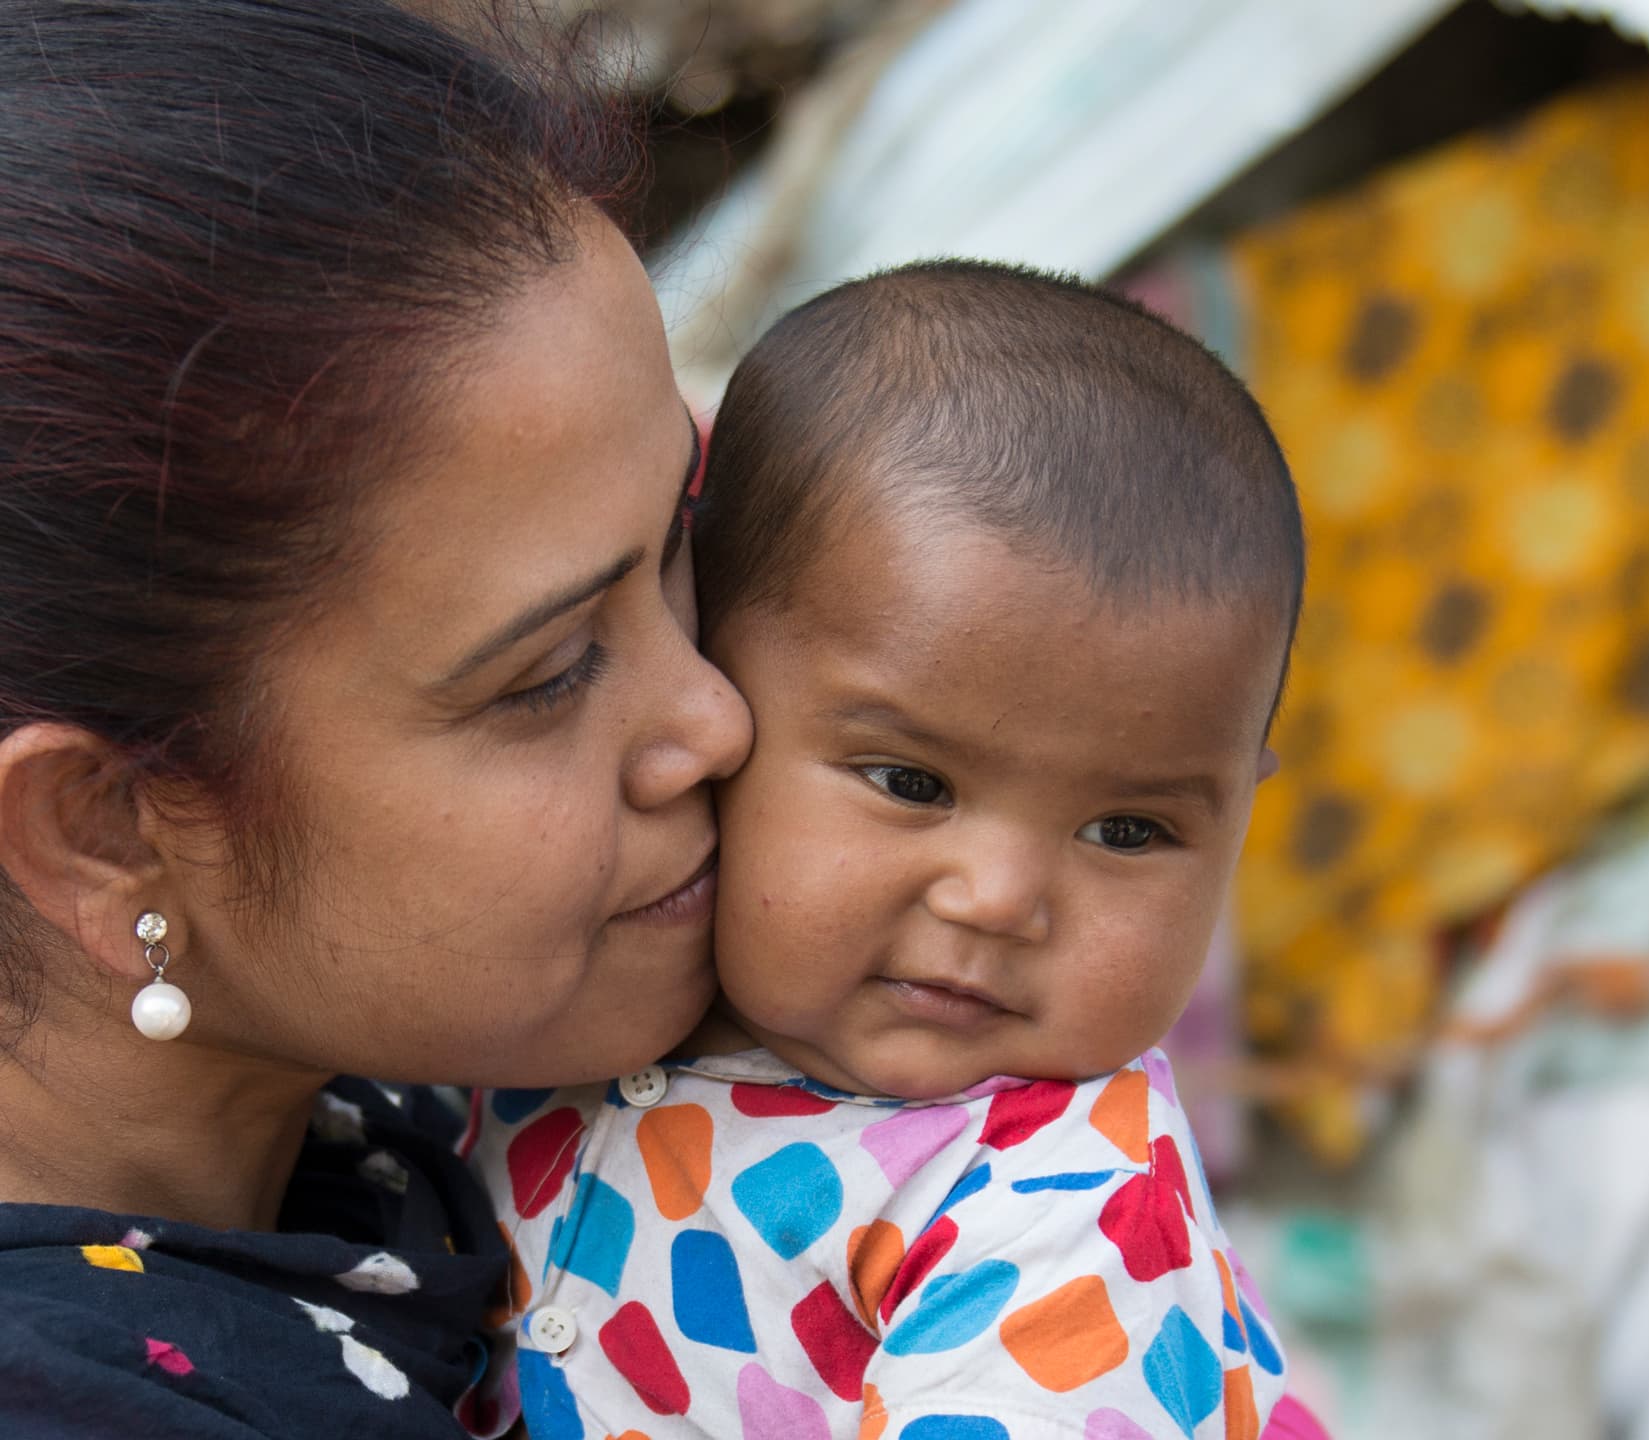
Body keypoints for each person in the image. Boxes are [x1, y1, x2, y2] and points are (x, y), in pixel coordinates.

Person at [0, 2, 750, 1435]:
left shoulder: (391, 1122)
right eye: (547, 673)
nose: (714, 720)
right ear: (108, 831)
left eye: (681, 537)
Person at [472, 262, 1313, 1439]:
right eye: (912, 783)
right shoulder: (562, 988)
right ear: (706, 679)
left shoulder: (1062, 1201)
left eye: (1130, 831)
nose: (1000, 899)